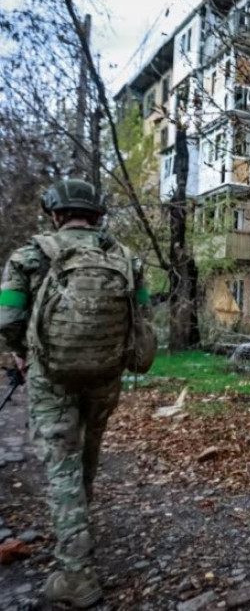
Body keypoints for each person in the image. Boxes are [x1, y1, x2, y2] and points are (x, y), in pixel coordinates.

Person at [0, 179, 154, 608]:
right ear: (98, 215)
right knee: (87, 451)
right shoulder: (126, 257)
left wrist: (20, 353)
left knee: (61, 463)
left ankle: (76, 572)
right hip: (105, 374)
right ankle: (79, 529)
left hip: (51, 375)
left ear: (54, 213)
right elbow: (141, 312)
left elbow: (7, 316)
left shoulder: (29, 255)